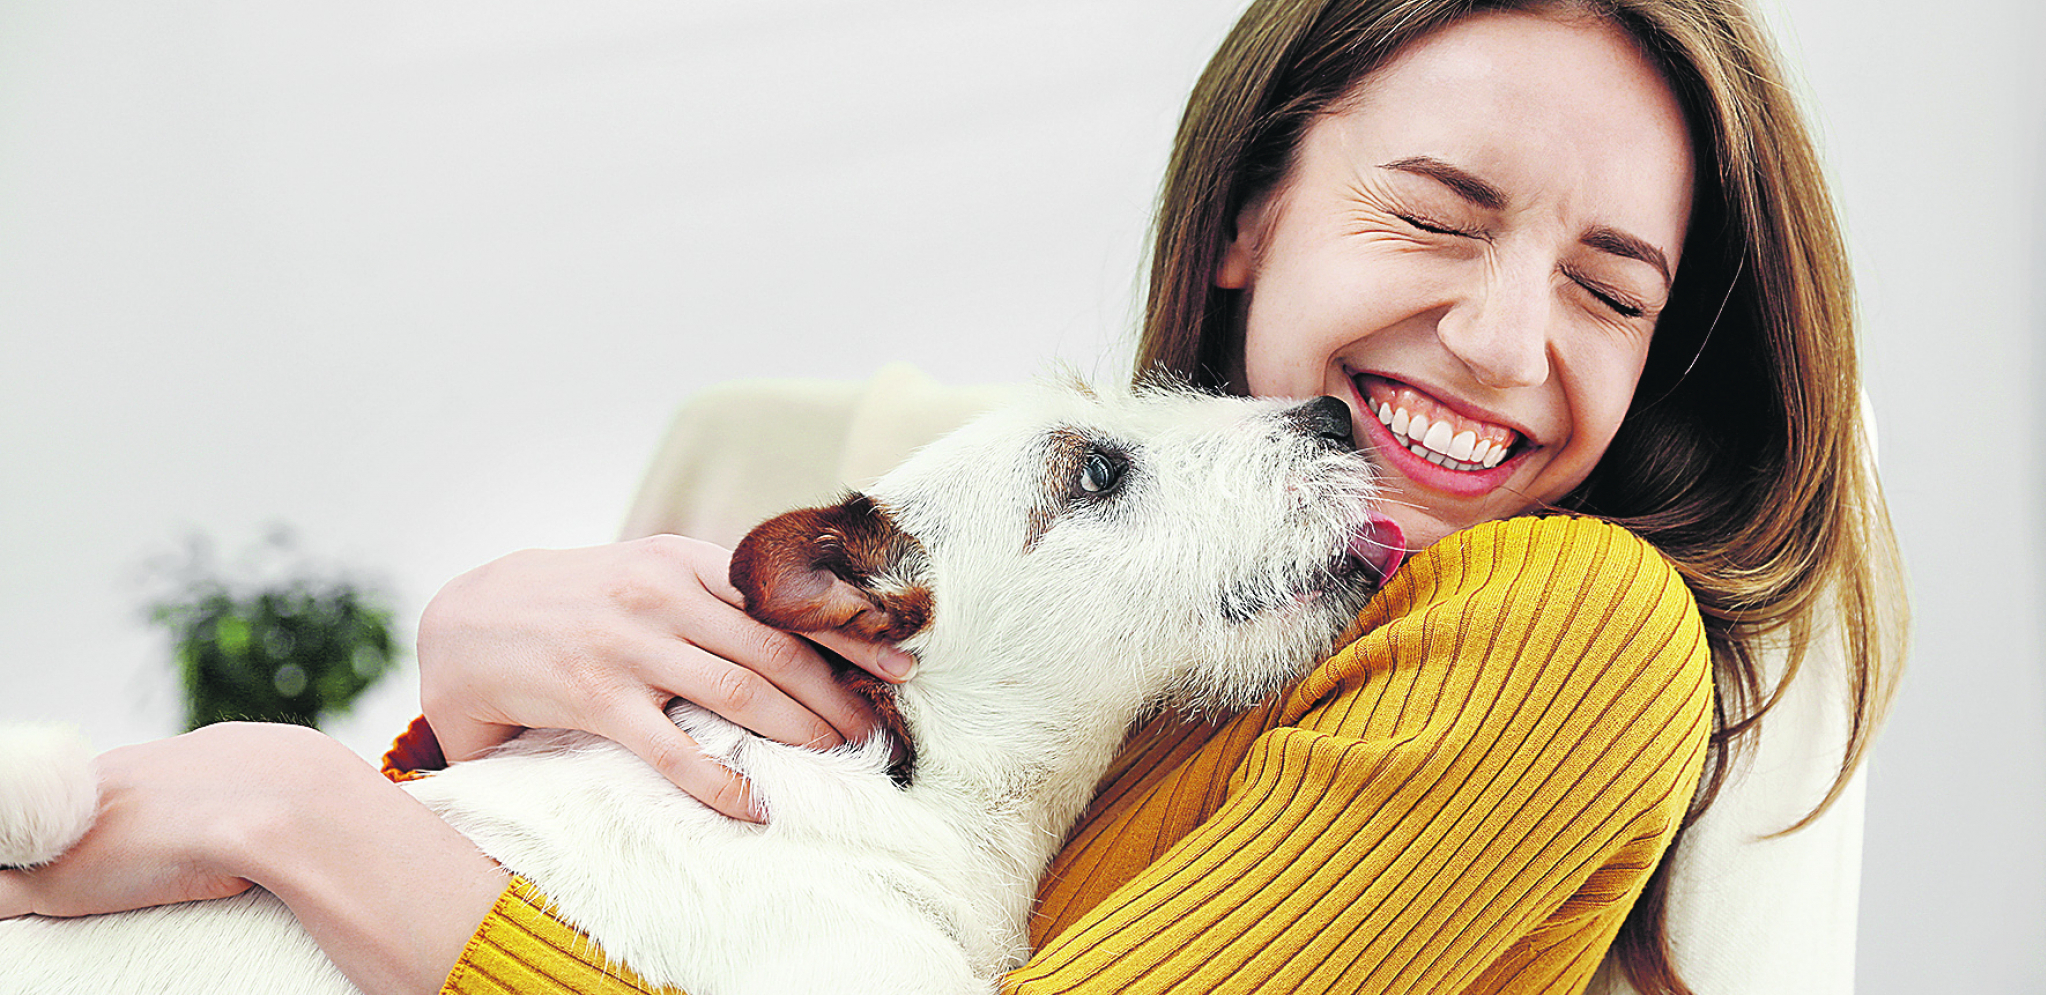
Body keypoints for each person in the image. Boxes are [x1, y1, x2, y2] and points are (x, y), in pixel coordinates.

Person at [0, 1, 1904, 993]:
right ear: (1249, 212)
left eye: (1608, 289)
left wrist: (311, 813)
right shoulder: (1112, 642)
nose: (1501, 342)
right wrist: (457, 719)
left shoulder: (1557, 630)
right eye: (1433, 211)